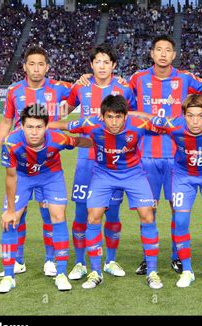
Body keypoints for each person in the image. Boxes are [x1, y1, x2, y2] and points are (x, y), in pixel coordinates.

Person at [52, 94, 163, 290]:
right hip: (103, 174)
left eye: (118, 117)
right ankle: (96, 272)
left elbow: (167, 126)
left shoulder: (137, 124)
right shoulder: (91, 123)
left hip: (133, 173)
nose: (114, 122)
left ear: (126, 116)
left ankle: (152, 271)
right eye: (110, 117)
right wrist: (37, 127)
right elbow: (64, 126)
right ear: (101, 116)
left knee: (147, 215)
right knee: (93, 217)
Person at [0, 45, 72, 278]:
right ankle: (17, 260)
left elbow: (81, 94)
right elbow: (6, 122)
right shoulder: (14, 90)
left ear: (47, 67)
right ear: (24, 66)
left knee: (49, 213)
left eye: (41, 64)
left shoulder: (58, 88)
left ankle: (50, 260)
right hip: (21, 160)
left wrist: (85, 79)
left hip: (48, 161)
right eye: (32, 64)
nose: (36, 69)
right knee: (17, 213)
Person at [129, 34, 202, 276]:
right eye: (158, 49)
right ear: (151, 53)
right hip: (145, 156)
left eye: (167, 50)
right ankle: (147, 257)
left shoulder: (185, 79)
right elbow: (125, 108)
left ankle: (177, 256)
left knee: (177, 208)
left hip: (178, 157)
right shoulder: (138, 79)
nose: (163, 54)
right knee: (147, 209)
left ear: (174, 55)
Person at [0, 104, 92, 293]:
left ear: (47, 127)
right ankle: (9, 276)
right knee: (10, 220)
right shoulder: (10, 143)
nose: (34, 132)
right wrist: (10, 210)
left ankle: (61, 273)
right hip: (22, 177)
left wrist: (99, 139)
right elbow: (11, 177)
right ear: (21, 126)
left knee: (58, 216)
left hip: (50, 176)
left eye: (39, 127)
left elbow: (81, 142)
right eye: (30, 127)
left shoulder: (58, 138)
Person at [65, 43, 138, 281]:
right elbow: (62, 111)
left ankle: (111, 261)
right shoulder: (81, 87)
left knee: (113, 213)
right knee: (81, 212)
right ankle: (79, 263)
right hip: (87, 160)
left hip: (114, 162)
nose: (102, 66)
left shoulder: (124, 89)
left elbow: (135, 117)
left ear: (114, 65)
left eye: (107, 62)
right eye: (98, 61)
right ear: (91, 64)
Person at [148, 94, 202, 288]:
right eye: (190, 115)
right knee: (180, 220)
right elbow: (144, 118)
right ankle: (187, 270)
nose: (195, 121)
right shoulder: (172, 125)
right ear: (184, 115)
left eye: (201, 116)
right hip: (183, 175)